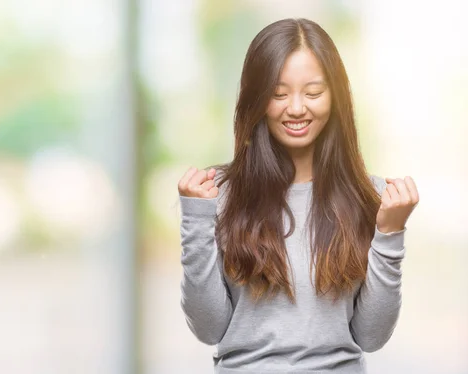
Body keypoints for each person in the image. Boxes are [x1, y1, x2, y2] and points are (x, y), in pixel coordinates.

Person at [177, 18, 419, 374]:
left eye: (313, 92)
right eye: (278, 94)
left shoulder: (374, 198)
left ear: (335, 97)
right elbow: (208, 328)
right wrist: (195, 221)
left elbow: (371, 337)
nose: (295, 108)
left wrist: (390, 234)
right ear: (256, 99)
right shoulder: (219, 194)